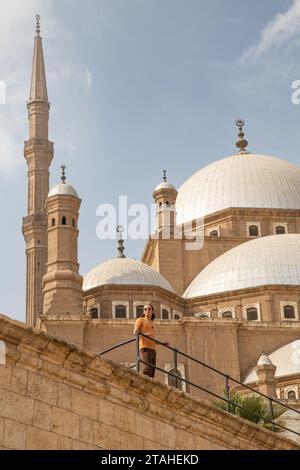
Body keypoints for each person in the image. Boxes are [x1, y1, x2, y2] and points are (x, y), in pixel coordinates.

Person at [133, 303, 169, 378]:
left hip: (153, 349)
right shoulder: (140, 320)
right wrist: (144, 335)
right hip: (145, 347)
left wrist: (161, 343)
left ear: (152, 311)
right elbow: (135, 332)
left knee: (152, 370)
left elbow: (152, 339)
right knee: (148, 368)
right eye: (145, 309)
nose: (147, 311)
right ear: (143, 312)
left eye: (149, 309)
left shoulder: (152, 323)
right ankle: (138, 379)